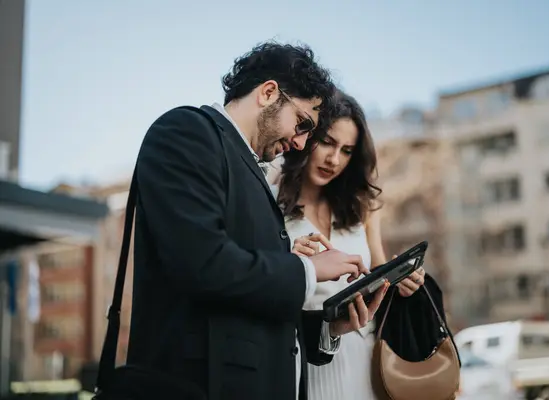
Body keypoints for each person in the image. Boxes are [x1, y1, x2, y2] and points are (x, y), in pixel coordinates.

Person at [126, 41, 388, 400]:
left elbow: (248, 306)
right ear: (268, 93)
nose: (300, 144)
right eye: (302, 124)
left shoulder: (251, 169)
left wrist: (328, 326)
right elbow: (202, 263)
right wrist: (308, 270)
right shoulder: (187, 131)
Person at [272, 89, 428, 399]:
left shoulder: (363, 207)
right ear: (305, 135)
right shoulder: (270, 203)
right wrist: (291, 262)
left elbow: (378, 272)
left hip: (362, 354)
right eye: (327, 143)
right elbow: (265, 283)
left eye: (347, 150)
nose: (334, 159)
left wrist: (403, 282)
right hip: (302, 355)